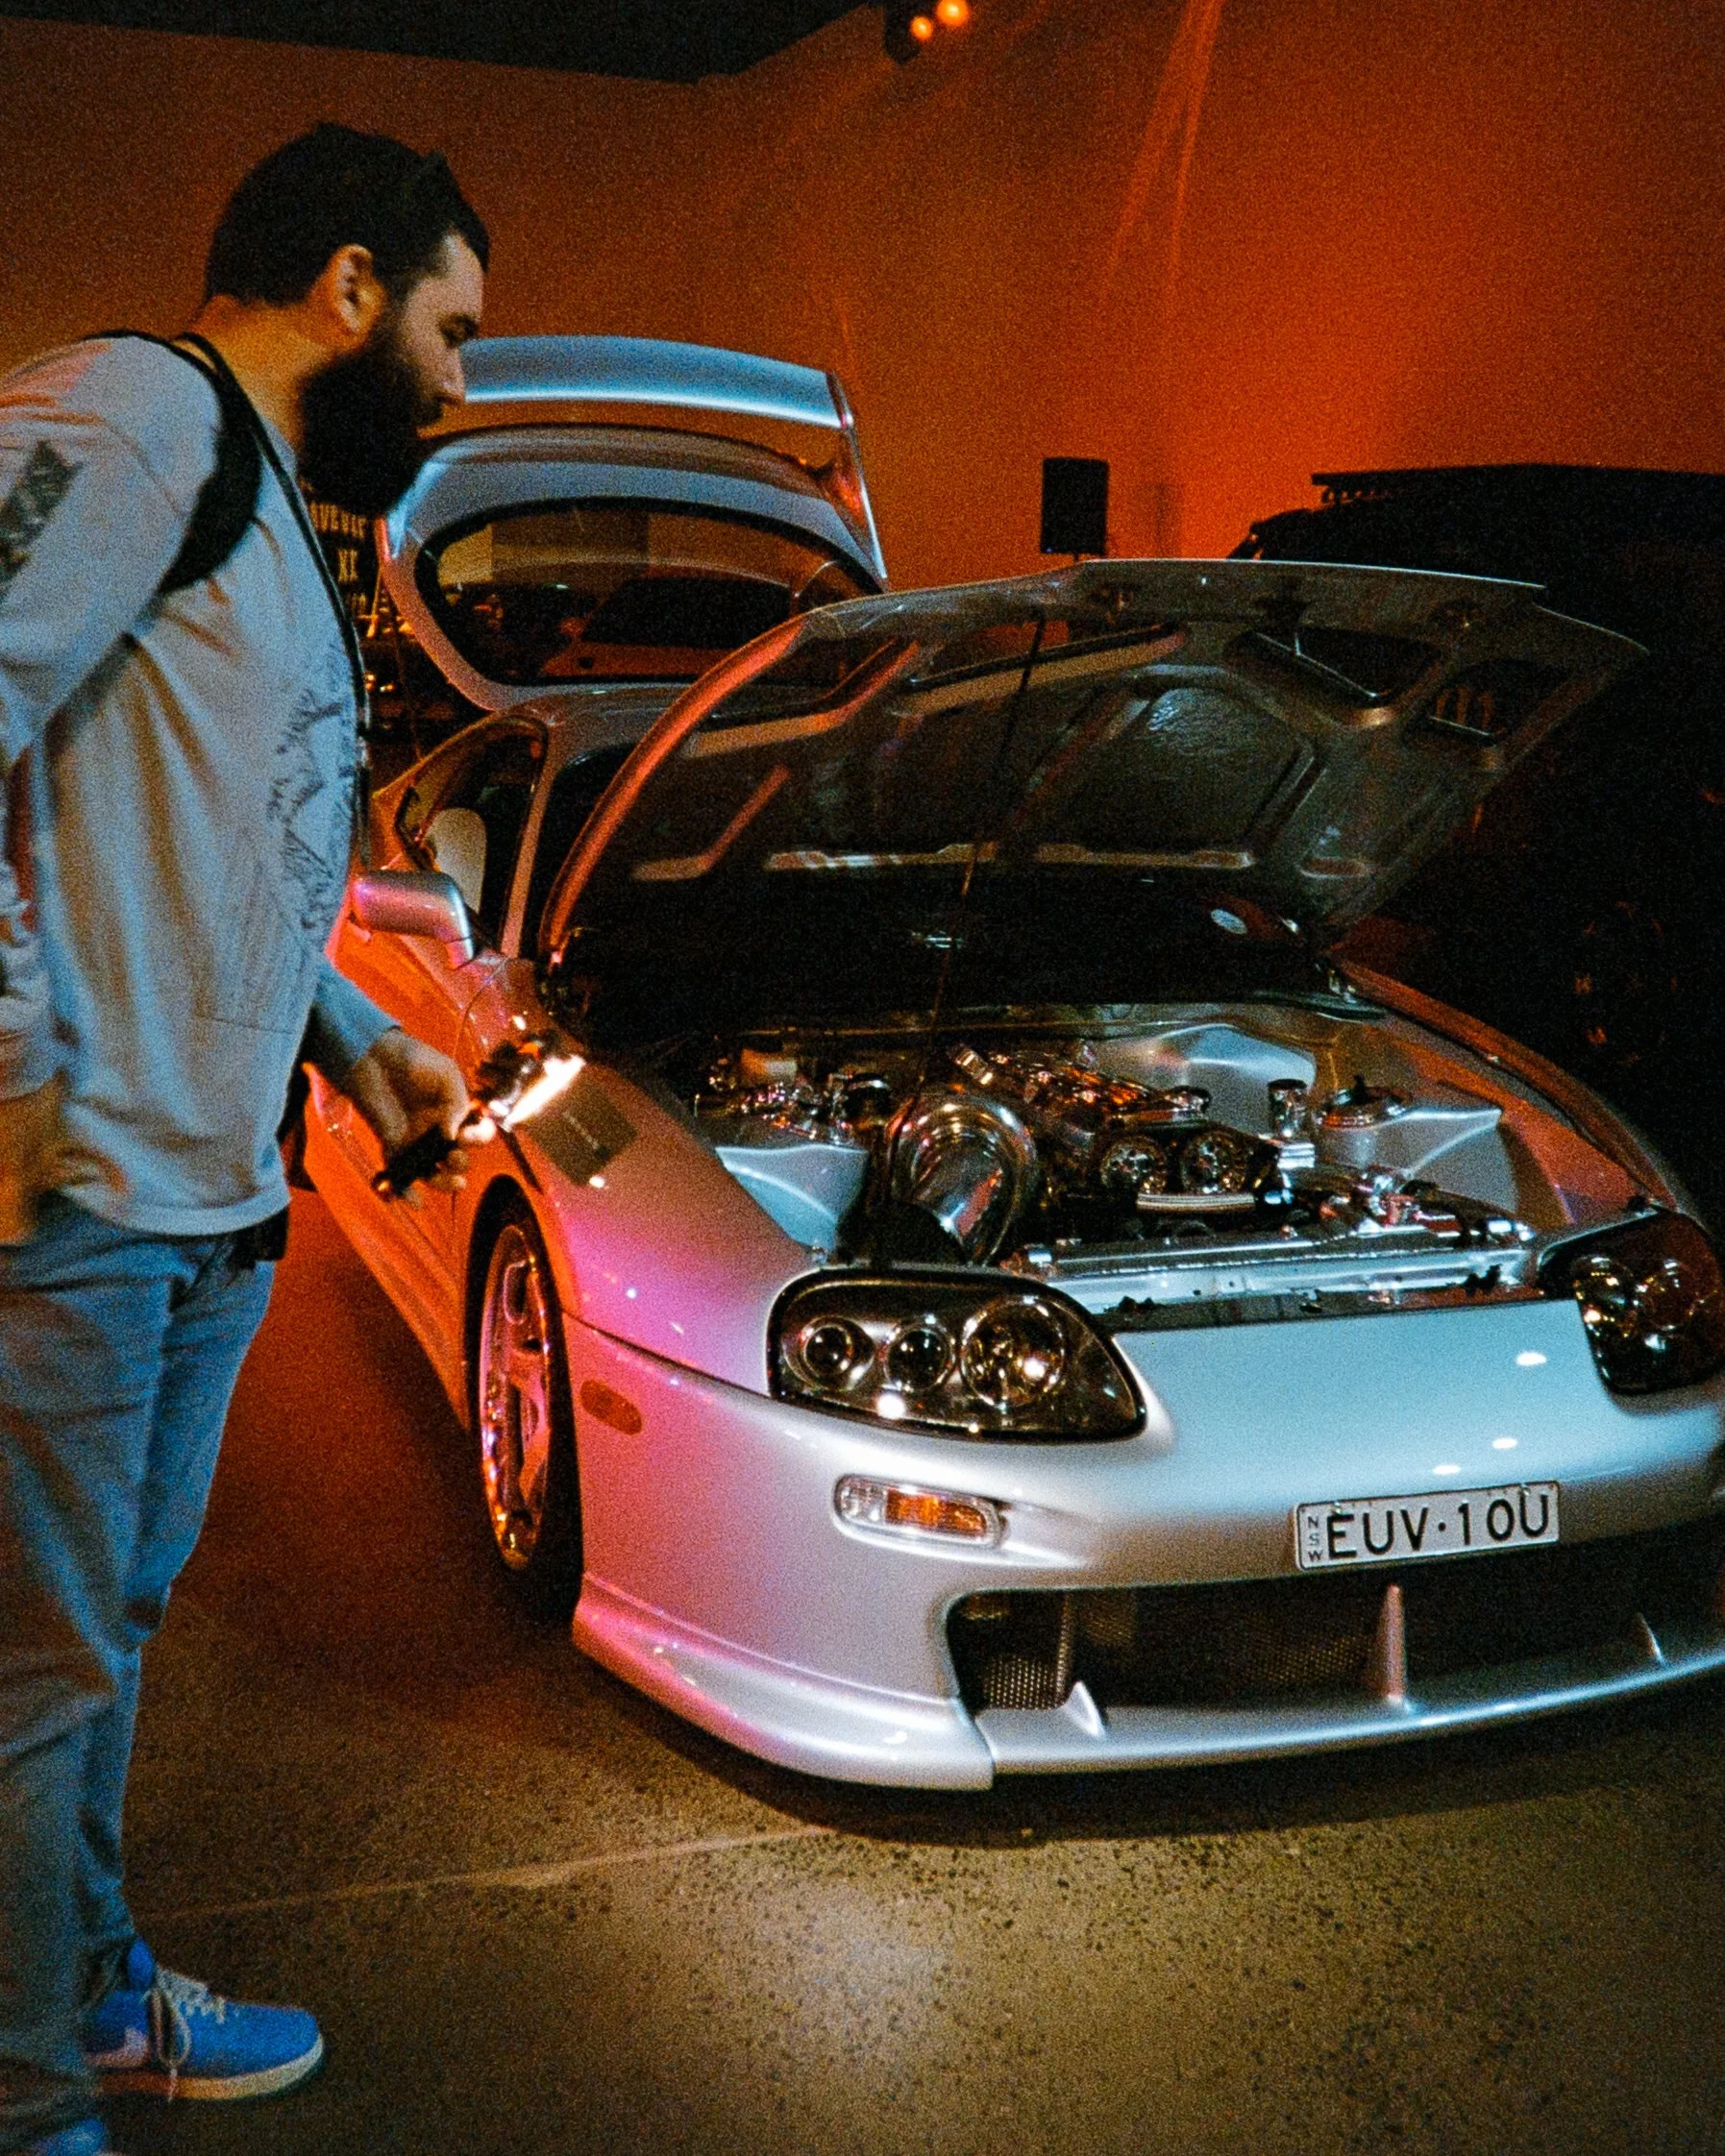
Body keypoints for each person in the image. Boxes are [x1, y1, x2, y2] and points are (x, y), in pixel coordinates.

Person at [0, 126, 489, 2156]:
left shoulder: (277, 517)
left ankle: (86, 1992)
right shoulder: (132, 421)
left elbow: (230, 842)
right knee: (29, 1687)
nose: (463, 386)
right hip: (82, 1199)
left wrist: (357, 1034)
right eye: (457, 330)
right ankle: (36, 2105)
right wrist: (10, 1063)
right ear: (353, 289)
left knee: (92, 1654)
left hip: (209, 1209)